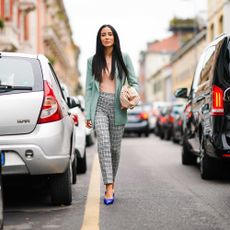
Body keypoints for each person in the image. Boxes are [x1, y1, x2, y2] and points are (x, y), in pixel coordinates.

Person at [85, 24, 139, 205]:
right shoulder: (92, 61)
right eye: (103, 35)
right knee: (104, 145)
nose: (106, 37)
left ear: (114, 37)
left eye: (109, 34)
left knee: (115, 149)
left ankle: (112, 180)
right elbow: (88, 89)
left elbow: (134, 82)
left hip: (118, 106)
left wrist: (132, 94)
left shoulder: (124, 58)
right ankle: (108, 186)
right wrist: (88, 114)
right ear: (99, 39)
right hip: (99, 105)